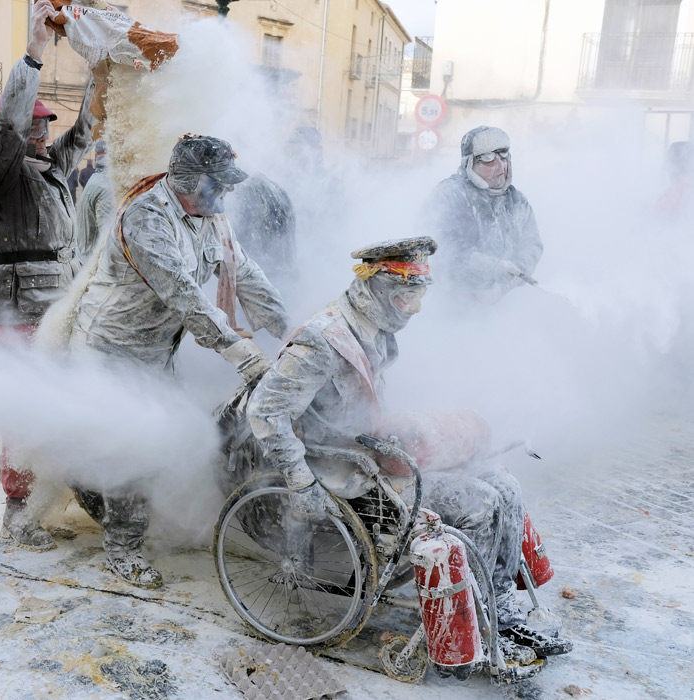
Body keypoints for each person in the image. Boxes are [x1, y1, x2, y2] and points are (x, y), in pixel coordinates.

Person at [244, 236, 571, 677]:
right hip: (343, 466)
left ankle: (500, 610)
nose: (412, 310)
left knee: (504, 485)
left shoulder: (374, 328)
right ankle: (483, 624)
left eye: (418, 298)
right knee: (481, 503)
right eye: (405, 298)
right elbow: (266, 411)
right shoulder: (322, 339)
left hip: (376, 451)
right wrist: (299, 480)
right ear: (377, 288)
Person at [67, 134, 289, 588]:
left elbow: (244, 272)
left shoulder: (212, 218)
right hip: (111, 348)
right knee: (134, 446)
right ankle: (123, 548)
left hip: (157, 349)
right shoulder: (147, 218)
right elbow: (185, 296)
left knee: (172, 434)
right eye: (217, 184)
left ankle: (110, 491)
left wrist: (288, 329)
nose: (224, 193)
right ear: (189, 180)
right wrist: (244, 356)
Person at [0, 0, 96, 551]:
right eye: (33, 124)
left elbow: (85, 130)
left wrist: (101, 74)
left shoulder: (50, 169)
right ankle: (17, 511)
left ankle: (46, 485)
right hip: (19, 307)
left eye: (46, 124)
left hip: (57, 305)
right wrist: (34, 53)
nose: (42, 131)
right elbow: (8, 130)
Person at [422, 126, 542, 303]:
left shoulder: (517, 202)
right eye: (488, 159)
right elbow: (437, 248)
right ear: (470, 163)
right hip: (452, 303)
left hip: (501, 304)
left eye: (503, 156)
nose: (500, 166)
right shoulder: (450, 195)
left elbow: (532, 246)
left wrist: (502, 287)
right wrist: (489, 267)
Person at [73, 139, 114, 259]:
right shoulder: (107, 186)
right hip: (92, 263)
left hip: (84, 257)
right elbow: (108, 242)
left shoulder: (97, 179)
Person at [655, 141, 693, 222]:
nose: (666, 168)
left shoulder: (676, 192)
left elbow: (653, 221)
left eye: (668, 161)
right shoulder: (688, 188)